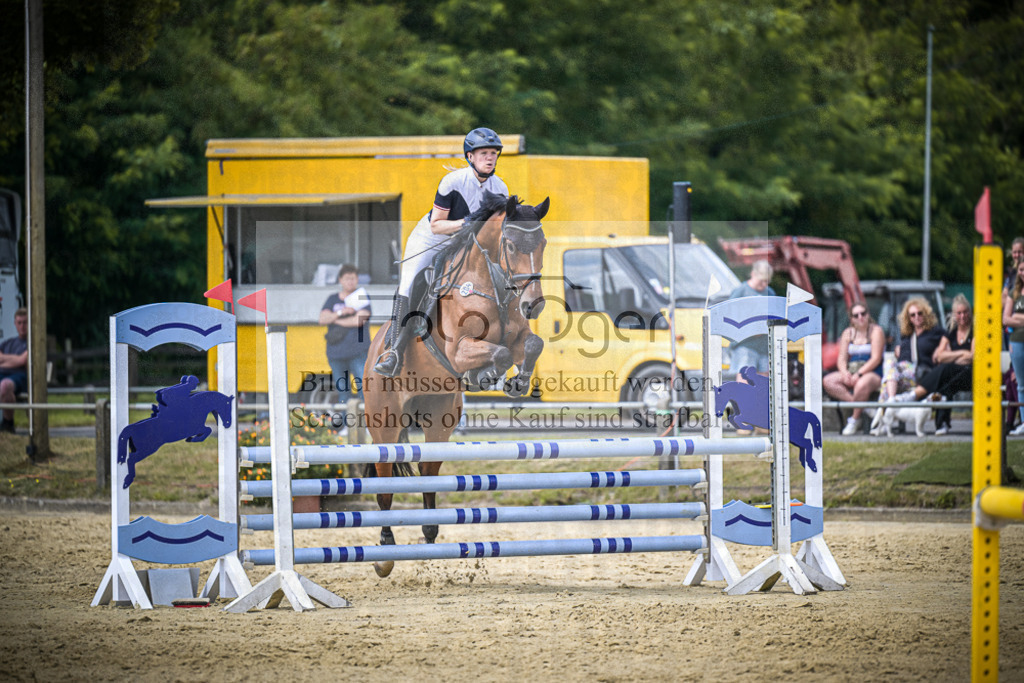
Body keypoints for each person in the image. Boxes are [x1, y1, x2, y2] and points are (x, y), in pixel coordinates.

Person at [373, 127, 509, 377]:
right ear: (470, 157)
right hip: (432, 238)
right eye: (484, 153)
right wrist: (467, 224)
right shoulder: (453, 182)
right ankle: (394, 350)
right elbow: (437, 224)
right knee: (410, 281)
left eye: (493, 153)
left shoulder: (500, 189)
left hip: (465, 243)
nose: (490, 158)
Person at [899, 294, 973, 435]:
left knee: (945, 370)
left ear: (969, 313)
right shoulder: (951, 332)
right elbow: (941, 356)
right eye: (959, 313)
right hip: (953, 373)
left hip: (970, 373)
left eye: (965, 312)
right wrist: (961, 353)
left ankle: (916, 394)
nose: (962, 316)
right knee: (944, 379)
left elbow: (972, 357)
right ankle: (942, 424)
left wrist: (952, 357)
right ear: (954, 314)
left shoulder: (974, 331)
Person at [319, 265, 371, 433]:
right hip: (336, 353)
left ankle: (367, 425)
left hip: (358, 352)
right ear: (340, 280)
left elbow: (359, 320)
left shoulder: (361, 296)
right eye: (347, 278)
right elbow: (322, 318)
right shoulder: (332, 298)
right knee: (343, 391)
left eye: (353, 278)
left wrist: (335, 320)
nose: (350, 281)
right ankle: (345, 426)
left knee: (364, 388)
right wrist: (341, 313)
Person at [823, 301, 885, 435]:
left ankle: (854, 419)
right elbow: (842, 358)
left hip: (872, 371)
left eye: (863, 313)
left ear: (868, 315)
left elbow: (876, 359)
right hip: (852, 369)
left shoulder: (876, 331)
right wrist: (845, 373)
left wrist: (859, 374)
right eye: (856, 315)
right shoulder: (848, 333)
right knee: (828, 381)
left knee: (861, 384)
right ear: (851, 319)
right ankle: (866, 408)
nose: (860, 317)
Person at [881, 297, 944, 402]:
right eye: (912, 315)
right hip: (901, 372)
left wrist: (940, 348)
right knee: (887, 377)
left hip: (920, 372)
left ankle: (884, 409)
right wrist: (899, 350)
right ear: (908, 318)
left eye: (920, 313)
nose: (916, 317)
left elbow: (949, 339)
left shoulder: (934, 332)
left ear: (925, 314)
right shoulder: (906, 334)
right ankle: (891, 402)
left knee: (888, 375)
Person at [727, 260, 776, 380]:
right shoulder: (741, 292)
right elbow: (730, 316)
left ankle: (760, 399)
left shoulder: (770, 293)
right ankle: (744, 399)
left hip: (765, 346)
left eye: (767, 281)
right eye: (762, 280)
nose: (764, 284)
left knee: (764, 380)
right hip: (745, 344)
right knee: (746, 377)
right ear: (753, 274)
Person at [1004, 259, 1024, 435]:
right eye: (1021, 269)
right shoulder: (1014, 292)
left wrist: (1017, 318)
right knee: (1020, 383)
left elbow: (1013, 318)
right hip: (1016, 342)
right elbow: (1005, 319)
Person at [0, 308, 28, 434]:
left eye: (25, 322)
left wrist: (4, 360)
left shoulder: (32, 343)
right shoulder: (8, 343)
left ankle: (8, 424)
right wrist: (16, 359)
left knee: (5, 386)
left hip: (20, 377)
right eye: (20, 323)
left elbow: (23, 361)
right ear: (15, 324)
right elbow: (20, 359)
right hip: (3, 373)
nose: (22, 326)